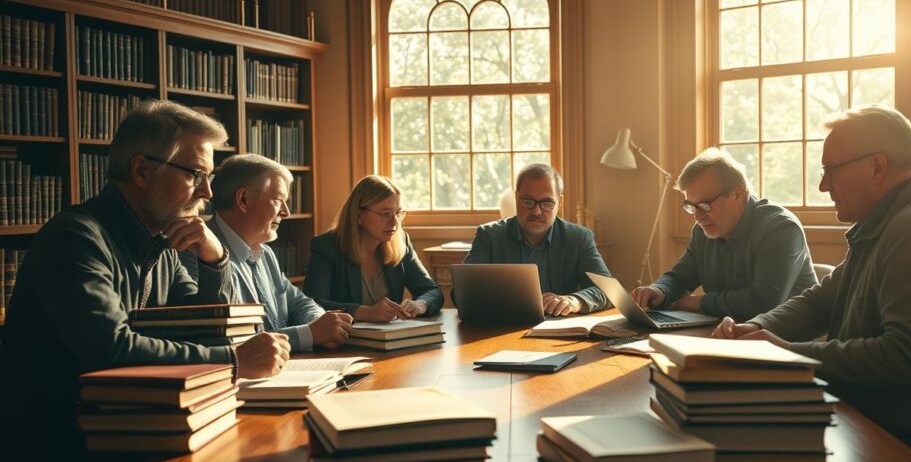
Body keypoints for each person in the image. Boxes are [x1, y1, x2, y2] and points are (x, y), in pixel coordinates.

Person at [0, 100, 290, 462]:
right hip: (61, 457)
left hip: (132, 429)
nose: (208, 193)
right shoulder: (75, 238)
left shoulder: (161, 241)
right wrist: (233, 361)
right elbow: (111, 348)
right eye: (196, 175)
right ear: (141, 171)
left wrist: (215, 260)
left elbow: (199, 324)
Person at [712, 105, 911, 458]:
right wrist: (756, 328)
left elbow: (905, 358)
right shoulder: (885, 227)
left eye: (830, 171)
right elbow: (821, 300)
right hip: (859, 420)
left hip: (887, 447)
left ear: (877, 167)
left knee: (717, 444)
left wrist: (787, 354)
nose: (824, 185)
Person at [631, 148, 817, 321]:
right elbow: (680, 277)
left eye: (704, 206)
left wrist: (695, 302)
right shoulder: (703, 231)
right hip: (730, 333)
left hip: (786, 343)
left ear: (738, 195)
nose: (698, 216)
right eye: (691, 206)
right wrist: (659, 290)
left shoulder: (781, 228)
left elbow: (763, 303)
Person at [201, 154, 353, 351]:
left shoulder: (265, 253)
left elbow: (299, 302)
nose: (286, 212)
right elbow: (232, 342)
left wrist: (321, 323)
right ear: (243, 200)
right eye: (278, 200)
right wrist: (310, 334)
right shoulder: (201, 253)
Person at [461, 163, 611, 316]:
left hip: (559, 331)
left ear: (559, 203)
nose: (537, 211)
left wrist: (574, 301)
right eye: (528, 201)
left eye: (547, 203)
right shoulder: (489, 236)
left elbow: (608, 291)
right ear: (516, 198)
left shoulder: (579, 238)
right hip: (500, 328)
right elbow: (461, 292)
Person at [304, 175, 443, 322]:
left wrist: (421, 304)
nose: (395, 222)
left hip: (391, 340)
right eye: (385, 214)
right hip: (344, 339)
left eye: (398, 213)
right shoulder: (326, 247)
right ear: (358, 216)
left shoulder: (400, 242)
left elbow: (432, 291)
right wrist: (366, 312)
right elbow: (313, 303)